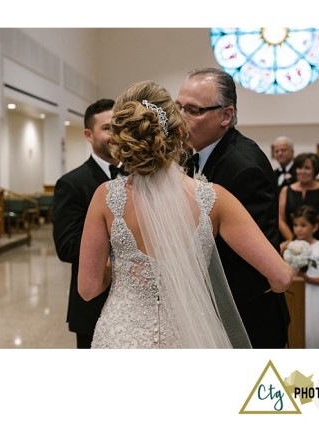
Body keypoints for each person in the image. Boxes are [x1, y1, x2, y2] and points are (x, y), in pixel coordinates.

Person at [77, 80, 292, 349]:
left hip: (122, 336)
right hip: (188, 336)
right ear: (178, 132)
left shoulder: (106, 197)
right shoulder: (213, 198)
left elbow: (88, 289)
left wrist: (122, 270)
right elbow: (282, 277)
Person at [177, 67, 288, 348]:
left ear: (226, 115)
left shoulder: (243, 167)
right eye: (178, 107)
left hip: (245, 319)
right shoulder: (195, 154)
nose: (180, 117)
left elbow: (253, 264)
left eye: (193, 110)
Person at [52, 98, 118, 349]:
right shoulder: (72, 184)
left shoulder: (140, 177)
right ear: (88, 134)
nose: (116, 135)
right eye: (108, 128)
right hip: (93, 304)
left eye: (119, 126)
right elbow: (67, 247)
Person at [281, 206, 319, 349]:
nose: (298, 229)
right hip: (294, 293)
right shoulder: (289, 245)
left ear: (315, 227)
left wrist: (310, 279)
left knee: (315, 332)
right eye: (295, 225)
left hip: (316, 295)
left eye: (303, 225)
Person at [279, 152, 319, 242]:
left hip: (317, 240)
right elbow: (280, 219)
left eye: (307, 168)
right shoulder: (286, 190)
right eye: (299, 168)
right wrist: (292, 239)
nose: (302, 172)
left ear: (315, 171)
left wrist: (313, 241)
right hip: (291, 239)